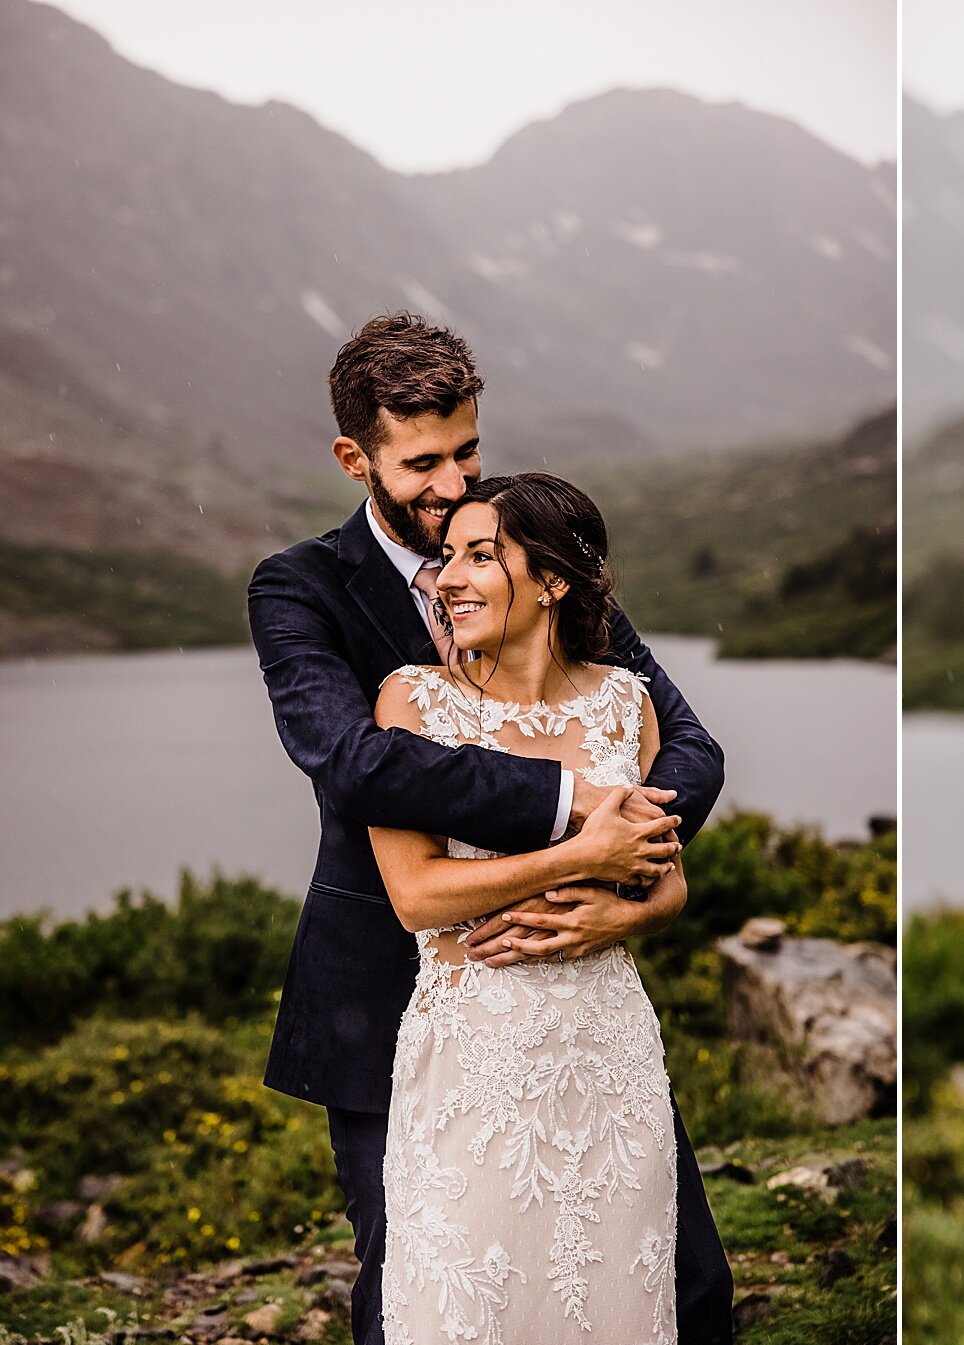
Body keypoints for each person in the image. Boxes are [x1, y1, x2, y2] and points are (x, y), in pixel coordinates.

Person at [249, 314, 733, 1345]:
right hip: (393, 992)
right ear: (356, 459)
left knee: (680, 1284)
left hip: (583, 1014)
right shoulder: (300, 587)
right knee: (423, 1292)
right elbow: (355, 762)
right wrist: (573, 810)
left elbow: (686, 744)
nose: (452, 479)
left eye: (466, 448)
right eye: (422, 461)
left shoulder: (532, 550)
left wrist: (628, 882)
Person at [370, 471, 687, 1343]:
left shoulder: (628, 704)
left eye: (482, 555)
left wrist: (620, 919)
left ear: (550, 581)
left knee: (614, 1304)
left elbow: (671, 880)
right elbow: (414, 895)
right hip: (472, 1060)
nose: (450, 579)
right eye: (446, 558)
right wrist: (583, 854)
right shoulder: (412, 701)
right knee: (466, 1308)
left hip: (609, 1053)